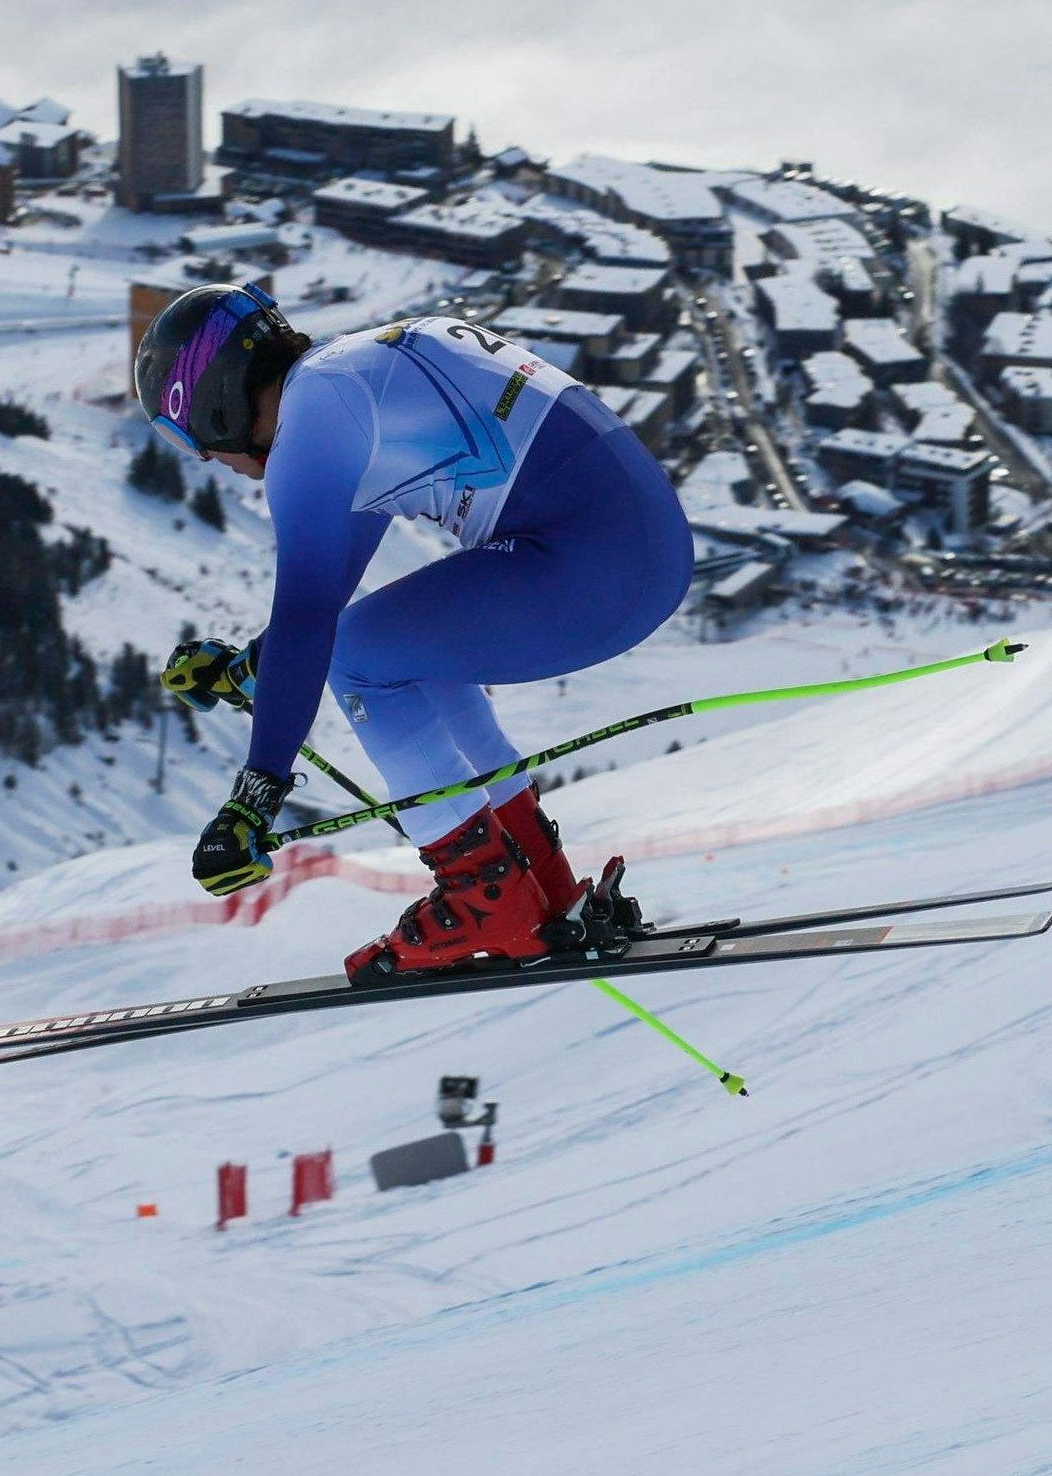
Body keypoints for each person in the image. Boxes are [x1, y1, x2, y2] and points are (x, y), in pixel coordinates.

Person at [139, 283, 693, 980]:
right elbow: (321, 603)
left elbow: (313, 622)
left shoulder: (311, 426)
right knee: (402, 649)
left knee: (360, 658)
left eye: (186, 434)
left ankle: (482, 894)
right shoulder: (349, 383)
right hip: (640, 551)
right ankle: (537, 879)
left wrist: (254, 797)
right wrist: (248, 672)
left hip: (591, 564)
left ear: (214, 399)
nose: (204, 458)